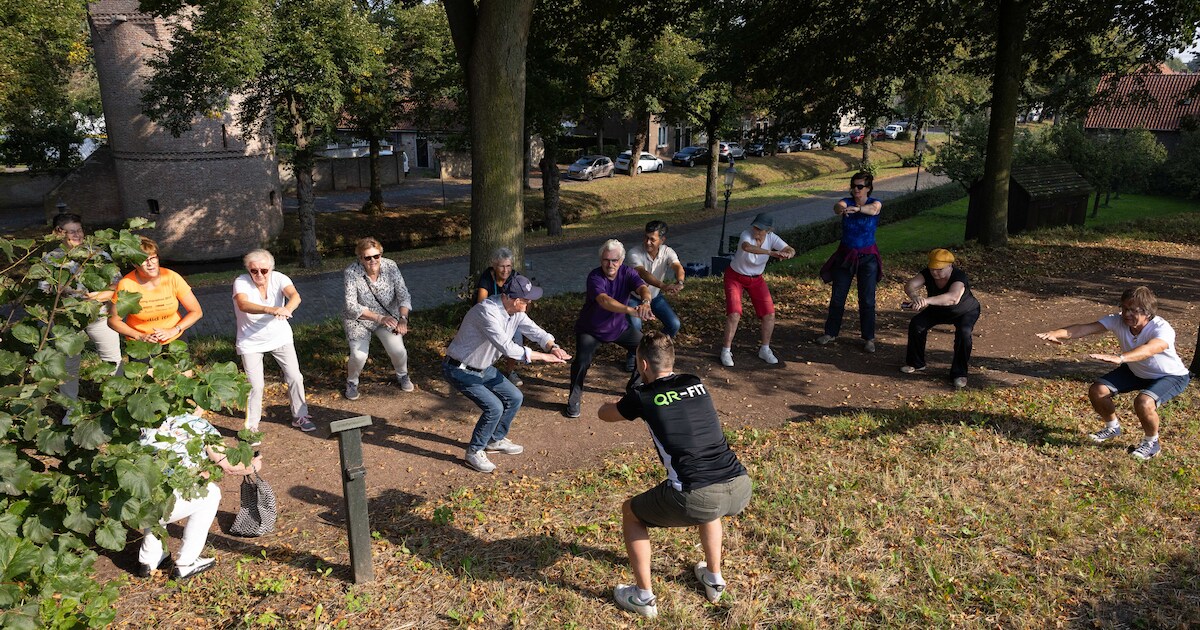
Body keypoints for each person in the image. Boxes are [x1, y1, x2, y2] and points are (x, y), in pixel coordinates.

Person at [598, 332, 752, 618]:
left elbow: (603, 414)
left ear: (642, 364)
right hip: (740, 484)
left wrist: (620, 400)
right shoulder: (695, 382)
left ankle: (643, 597)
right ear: (671, 360)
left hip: (697, 495)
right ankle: (713, 578)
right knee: (711, 505)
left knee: (631, 512)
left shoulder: (642, 397)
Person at [1037, 286, 1191, 460]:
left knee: (1144, 402)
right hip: (1136, 370)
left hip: (1170, 376)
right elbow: (1085, 328)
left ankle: (1152, 443)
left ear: (1147, 312)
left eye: (1133, 310)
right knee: (1098, 391)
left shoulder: (1161, 328)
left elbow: (1151, 349)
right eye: (1124, 308)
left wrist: (1122, 358)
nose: (1126, 314)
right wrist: (1055, 333)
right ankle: (1112, 427)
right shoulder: (1117, 320)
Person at [444, 274, 571, 473]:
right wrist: (544, 357)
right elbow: (508, 348)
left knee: (515, 397)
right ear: (515, 299)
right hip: (459, 369)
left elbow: (534, 331)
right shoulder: (487, 312)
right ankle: (474, 452)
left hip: (483, 367)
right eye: (527, 300)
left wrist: (552, 346)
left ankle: (494, 439)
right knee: (494, 407)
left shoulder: (515, 311)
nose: (529, 303)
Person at [138, 411, 262, 579]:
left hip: (137, 504)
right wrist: (253, 465)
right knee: (210, 494)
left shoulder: (148, 420)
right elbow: (229, 465)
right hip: (167, 504)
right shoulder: (198, 425)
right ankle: (186, 563)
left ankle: (148, 560)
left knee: (157, 487)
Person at [566, 239, 653, 418]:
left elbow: (643, 287)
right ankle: (574, 398)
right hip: (591, 329)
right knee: (581, 362)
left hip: (619, 328)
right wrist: (631, 310)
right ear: (601, 260)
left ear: (621, 261)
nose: (610, 264)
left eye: (614, 260)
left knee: (645, 349)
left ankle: (634, 389)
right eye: (606, 260)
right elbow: (604, 301)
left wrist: (645, 302)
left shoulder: (627, 273)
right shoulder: (595, 277)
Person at [43, 213, 122, 410]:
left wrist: (100, 295)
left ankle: (116, 403)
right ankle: (71, 409)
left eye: (79, 230)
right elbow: (43, 291)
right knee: (68, 364)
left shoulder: (99, 254)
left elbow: (118, 285)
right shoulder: (51, 259)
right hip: (67, 319)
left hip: (99, 314)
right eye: (71, 231)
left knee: (112, 359)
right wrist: (62, 290)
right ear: (58, 233)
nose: (77, 235)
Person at [232, 249, 312, 433]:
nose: (259, 274)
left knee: (295, 376)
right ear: (248, 270)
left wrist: (287, 309)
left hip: (280, 336)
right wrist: (271, 309)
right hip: (250, 341)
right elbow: (243, 304)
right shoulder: (241, 282)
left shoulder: (279, 278)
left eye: (264, 270)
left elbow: (295, 296)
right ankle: (251, 427)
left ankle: (300, 415)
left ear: (271, 269)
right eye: (254, 271)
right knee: (255, 385)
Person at [817, 171, 883, 353]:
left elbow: (874, 210)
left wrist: (858, 209)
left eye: (860, 186)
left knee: (867, 299)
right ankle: (830, 333)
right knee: (838, 296)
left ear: (868, 188)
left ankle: (869, 338)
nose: (856, 190)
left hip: (868, 258)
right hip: (846, 256)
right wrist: (842, 208)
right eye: (853, 186)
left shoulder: (874, 203)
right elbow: (837, 207)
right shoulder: (847, 201)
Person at [719, 212, 794, 367]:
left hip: (756, 279)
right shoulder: (746, 235)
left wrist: (789, 253)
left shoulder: (772, 237)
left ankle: (765, 349)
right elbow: (747, 247)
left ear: (768, 230)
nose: (756, 231)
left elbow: (789, 248)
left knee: (769, 314)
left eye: (760, 229)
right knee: (734, 313)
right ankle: (726, 350)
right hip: (735, 277)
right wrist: (771, 253)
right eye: (755, 227)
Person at [342, 237, 413, 400]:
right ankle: (352, 381)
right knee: (359, 355)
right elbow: (351, 305)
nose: (373, 261)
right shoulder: (351, 273)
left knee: (398, 350)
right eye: (367, 257)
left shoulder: (391, 266)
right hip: (359, 319)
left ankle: (403, 375)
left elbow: (403, 295)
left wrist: (403, 318)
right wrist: (378, 318)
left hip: (388, 317)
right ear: (360, 258)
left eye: (376, 256)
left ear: (381, 254)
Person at [899, 248, 981, 389]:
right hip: (938, 309)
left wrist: (927, 301)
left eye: (939, 269)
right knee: (917, 324)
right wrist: (915, 297)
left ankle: (959, 373)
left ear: (950, 266)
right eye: (932, 269)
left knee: (964, 333)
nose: (935, 272)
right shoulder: (928, 273)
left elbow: (953, 298)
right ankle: (916, 363)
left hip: (965, 311)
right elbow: (910, 285)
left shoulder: (959, 276)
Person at [108, 236, 203, 345]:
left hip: (174, 339)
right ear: (134, 264)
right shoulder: (126, 285)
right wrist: (140, 336)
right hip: (142, 344)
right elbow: (113, 321)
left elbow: (196, 312)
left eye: (153, 258)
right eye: (144, 260)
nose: (150, 264)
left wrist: (174, 330)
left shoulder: (172, 277)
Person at [624, 220, 685, 371]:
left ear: (662, 240)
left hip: (655, 297)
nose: (648, 242)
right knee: (636, 328)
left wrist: (680, 281)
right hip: (633, 297)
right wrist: (664, 286)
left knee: (674, 324)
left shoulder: (667, 252)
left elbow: (677, 266)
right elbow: (643, 274)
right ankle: (633, 356)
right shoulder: (634, 253)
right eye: (646, 237)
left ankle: (653, 349)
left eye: (653, 239)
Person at [474, 247, 523, 386]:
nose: (505, 270)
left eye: (508, 266)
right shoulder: (486, 277)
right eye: (502, 266)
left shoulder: (515, 277)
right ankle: (480, 368)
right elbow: (481, 303)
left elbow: (522, 302)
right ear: (494, 266)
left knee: (516, 338)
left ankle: (510, 371)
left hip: (510, 317)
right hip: (489, 317)